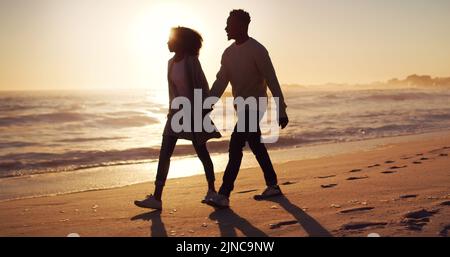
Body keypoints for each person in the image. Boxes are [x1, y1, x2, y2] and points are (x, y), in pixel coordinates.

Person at [207, 9, 289, 208]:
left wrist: (281, 108)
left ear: (242, 26)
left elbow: (272, 80)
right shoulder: (228, 53)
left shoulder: (258, 50)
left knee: (235, 145)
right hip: (241, 107)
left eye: (229, 23)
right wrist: (206, 104)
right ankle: (273, 185)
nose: (226, 27)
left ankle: (224, 193)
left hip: (256, 106)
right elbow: (220, 82)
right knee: (256, 144)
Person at [134, 27, 221, 210]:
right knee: (165, 152)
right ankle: (157, 197)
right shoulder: (170, 63)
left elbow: (204, 88)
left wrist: (204, 110)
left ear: (179, 42)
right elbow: (172, 92)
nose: (167, 42)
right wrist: (170, 111)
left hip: (195, 112)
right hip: (176, 114)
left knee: (201, 151)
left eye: (170, 39)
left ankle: (212, 190)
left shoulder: (192, 62)